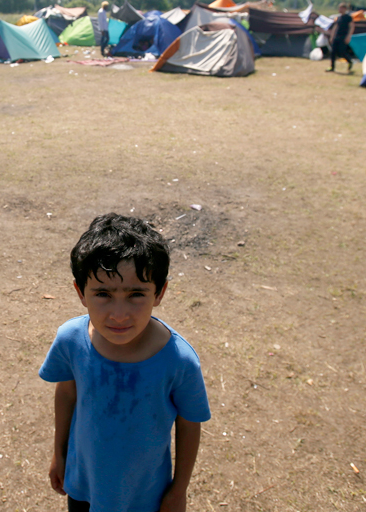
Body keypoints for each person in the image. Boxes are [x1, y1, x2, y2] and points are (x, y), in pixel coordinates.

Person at [40, 213, 211, 512]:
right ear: (81, 293)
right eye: (103, 293)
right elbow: (66, 393)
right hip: (83, 484)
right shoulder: (71, 340)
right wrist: (60, 453)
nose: (119, 315)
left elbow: (189, 424)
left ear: (159, 292)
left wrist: (178, 490)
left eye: (136, 294)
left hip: (145, 497)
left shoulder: (179, 361)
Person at [327, 2, 355, 73]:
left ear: (345, 9)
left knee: (342, 51)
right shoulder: (338, 18)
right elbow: (335, 27)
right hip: (336, 36)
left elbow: (352, 26)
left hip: (343, 37)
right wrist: (332, 36)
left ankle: (349, 61)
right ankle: (332, 67)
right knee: (333, 52)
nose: (339, 9)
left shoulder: (348, 18)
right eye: (339, 8)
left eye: (341, 8)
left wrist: (348, 36)